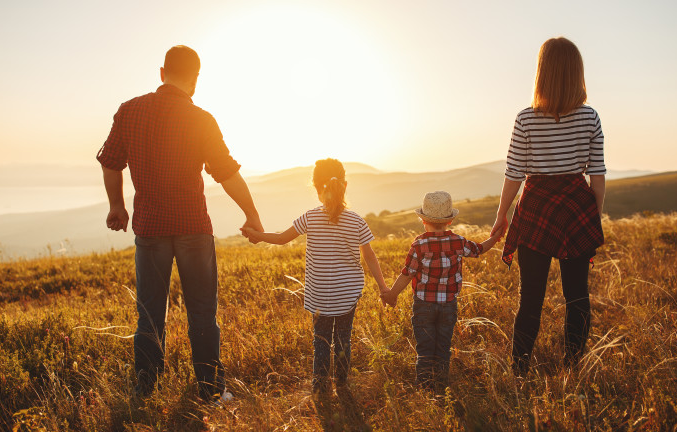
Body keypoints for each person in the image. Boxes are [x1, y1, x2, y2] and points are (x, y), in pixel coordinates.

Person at [96, 45, 263, 402]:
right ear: (196, 79)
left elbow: (110, 162)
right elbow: (227, 173)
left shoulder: (130, 111)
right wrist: (251, 214)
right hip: (193, 228)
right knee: (202, 312)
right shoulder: (201, 118)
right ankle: (210, 390)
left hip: (150, 229)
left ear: (162, 73)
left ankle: (145, 388)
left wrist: (117, 207)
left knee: (150, 314)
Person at [490, 37, 606, 375]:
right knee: (577, 296)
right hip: (576, 206)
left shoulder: (525, 119)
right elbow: (596, 173)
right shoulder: (591, 117)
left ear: (542, 73)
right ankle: (573, 368)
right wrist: (593, 217)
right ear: (576, 72)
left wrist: (502, 215)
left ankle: (520, 371)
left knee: (531, 299)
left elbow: (514, 173)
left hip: (536, 206)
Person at [241, 158, 387, 395]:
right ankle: (342, 384)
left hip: (319, 296)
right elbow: (370, 257)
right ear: (345, 185)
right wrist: (383, 288)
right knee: (343, 340)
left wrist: (256, 235)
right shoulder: (357, 221)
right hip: (347, 295)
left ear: (317, 189)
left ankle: (319, 388)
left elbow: (280, 239)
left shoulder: (309, 217)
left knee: (321, 342)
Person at [382, 191, 500, 393]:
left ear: (422, 219)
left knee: (425, 349)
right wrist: (496, 237)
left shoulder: (418, 245)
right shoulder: (458, 242)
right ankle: (441, 387)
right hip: (448, 305)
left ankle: (425, 389)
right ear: (450, 220)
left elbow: (407, 274)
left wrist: (392, 294)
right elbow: (480, 249)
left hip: (423, 305)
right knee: (443, 347)